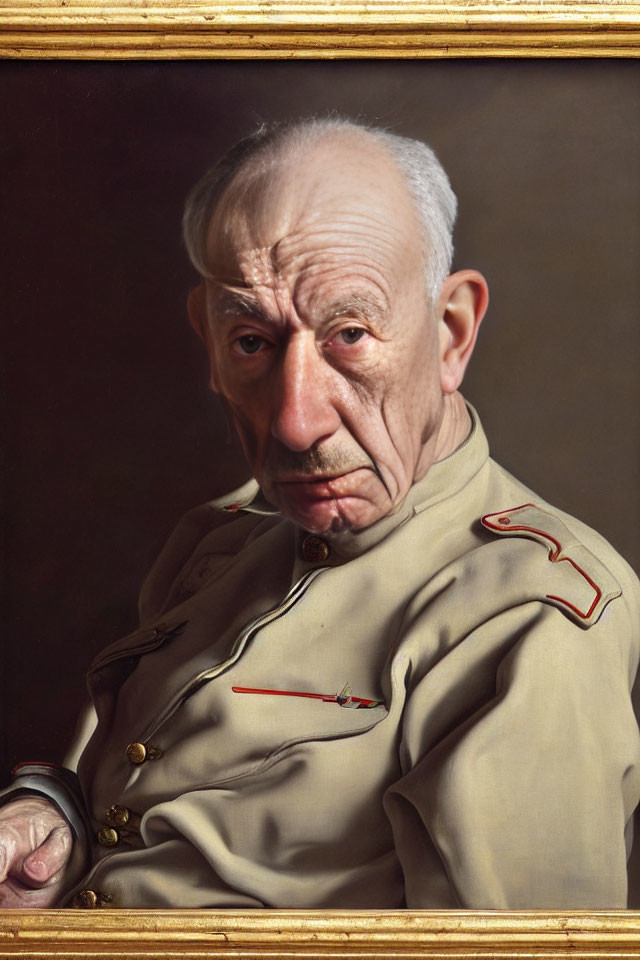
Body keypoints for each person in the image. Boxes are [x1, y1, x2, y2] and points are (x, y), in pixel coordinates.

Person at [1, 118, 639, 910]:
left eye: (349, 334)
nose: (295, 422)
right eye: (252, 343)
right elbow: (147, 801)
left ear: (450, 334)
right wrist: (54, 815)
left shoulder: (528, 615)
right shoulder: (223, 538)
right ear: (207, 338)